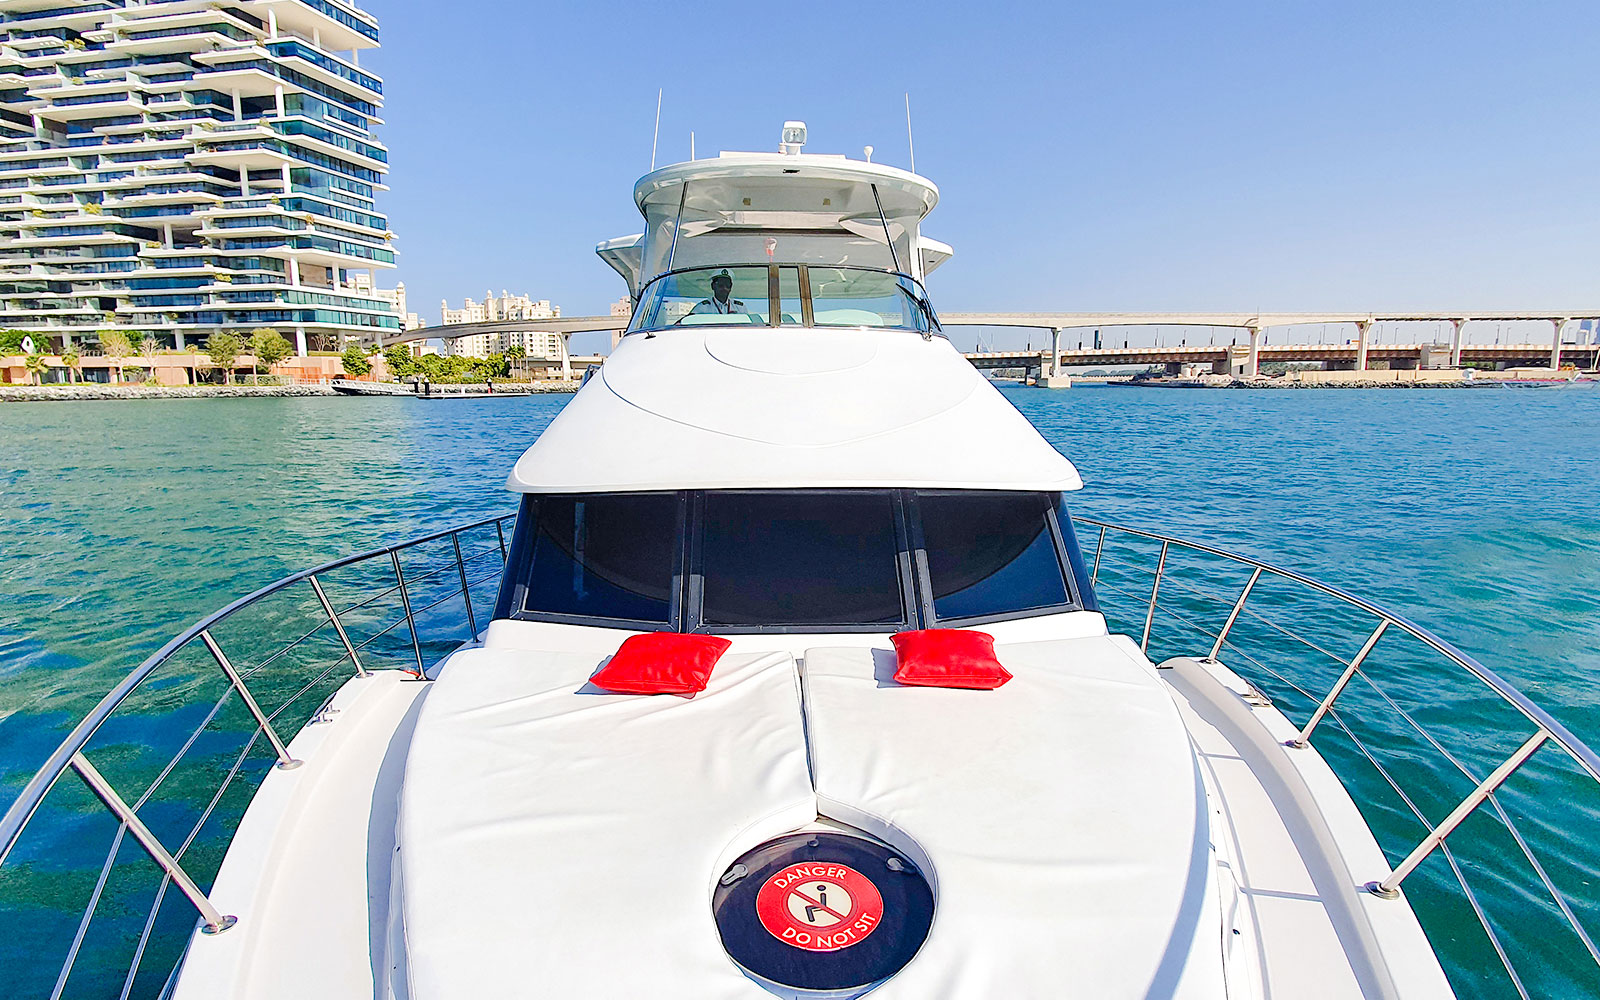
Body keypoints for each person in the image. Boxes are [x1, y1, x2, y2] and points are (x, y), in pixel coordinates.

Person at [688, 269, 754, 316]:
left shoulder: (740, 308)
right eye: (720, 285)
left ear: (731, 287)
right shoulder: (702, 308)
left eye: (727, 285)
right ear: (713, 286)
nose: (724, 288)